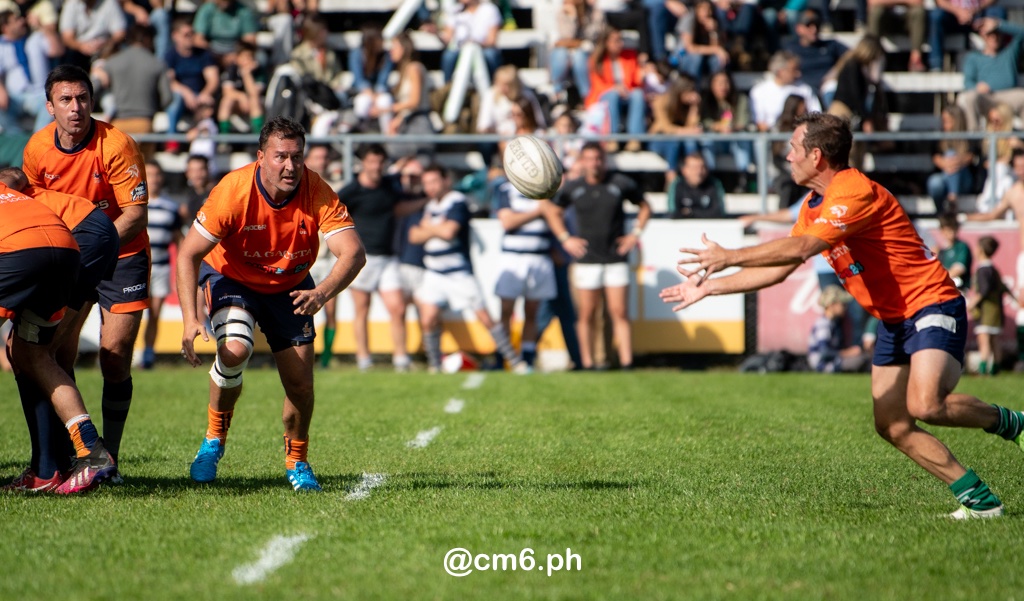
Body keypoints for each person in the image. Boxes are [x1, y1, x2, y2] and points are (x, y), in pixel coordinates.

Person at [661, 112, 1024, 518]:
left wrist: (728, 257)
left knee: (925, 405)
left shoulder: (854, 191)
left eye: (792, 150)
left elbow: (800, 250)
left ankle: (1012, 423)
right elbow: (780, 269)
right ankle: (980, 501)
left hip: (930, 302)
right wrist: (710, 286)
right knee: (892, 425)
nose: (787, 158)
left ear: (816, 156)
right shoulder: (813, 204)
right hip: (894, 319)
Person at [178, 116, 366, 491]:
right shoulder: (232, 191)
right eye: (281, 156)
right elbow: (188, 254)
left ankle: (297, 460)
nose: (290, 166)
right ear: (261, 156)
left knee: (301, 384)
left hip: (292, 286)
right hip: (232, 278)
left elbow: (354, 253)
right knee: (234, 349)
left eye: (297, 157)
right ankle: (214, 439)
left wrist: (322, 292)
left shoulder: (316, 190)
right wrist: (189, 318)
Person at [22, 64, 149, 474]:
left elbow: (136, 214)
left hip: (123, 256)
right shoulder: (37, 149)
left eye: (82, 99)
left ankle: (108, 457)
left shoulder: (117, 145)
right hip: (69, 258)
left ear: (92, 102)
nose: (75, 108)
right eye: (65, 100)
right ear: (49, 107)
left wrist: (94, 245)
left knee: (113, 358)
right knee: (53, 350)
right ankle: (63, 457)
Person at [0, 167, 119, 493]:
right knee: (32, 352)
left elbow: (14, 175)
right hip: (65, 246)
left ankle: (49, 465)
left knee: (35, 353)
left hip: (54, 241)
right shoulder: (17, 197)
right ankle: (87, 453)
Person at [410, 164, 525, 373]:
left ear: (446, 180)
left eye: (434, 181)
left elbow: (449, 232)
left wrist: (428, 228)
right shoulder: (429, 206)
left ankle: (514, 361)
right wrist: (435, 229)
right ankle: (435, 365)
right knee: (427, 319)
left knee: (485, 318)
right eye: (426, 183)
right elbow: (414, 236)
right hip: (434, 272)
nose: (430, 187)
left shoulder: (457, 202)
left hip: (459, 272)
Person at [547, 141, 651, 370]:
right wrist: (566, 238)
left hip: (615, 257)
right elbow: (553, 211)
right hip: (586, 259)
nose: (594, 163)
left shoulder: (619, 183)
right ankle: (587, 362)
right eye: (589, 159)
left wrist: (634, 234)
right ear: (582, 161)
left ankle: (626, 362)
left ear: (604, 160)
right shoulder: (573, 187)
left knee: (619, 312)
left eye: (598, 158)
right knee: (587, 313)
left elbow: (645, 207)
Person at [339, 144, 417, 372]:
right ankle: (364, 359)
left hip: (388, 258)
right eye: (372, 161)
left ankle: (401, 359)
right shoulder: (351, 191)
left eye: (380, 162)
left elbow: (400, 207)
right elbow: (333, 216)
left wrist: (426, 199)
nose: (376, 166)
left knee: (398, 307)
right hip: (363, 260)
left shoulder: (389, 186)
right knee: (362, 309)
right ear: (363, 163)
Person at [492, 169, 558, 372]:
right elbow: (508, 222)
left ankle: (527, 358)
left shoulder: (548, 190)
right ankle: (502, 357)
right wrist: (537, 212)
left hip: (539, 257)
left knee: (532, 312)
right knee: (506, 310)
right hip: (514, 257)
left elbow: (556, 214)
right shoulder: (506, 189)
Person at [141, 161, 182, 369]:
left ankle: (148, 354)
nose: (154, 179)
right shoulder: (135, 205)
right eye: (150, 174)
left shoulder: (170, 208)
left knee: (154, 314)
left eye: (157, 174)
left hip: (161, 267)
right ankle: (126, 353)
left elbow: (179, 241)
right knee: (131, 313)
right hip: (138, 266)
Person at [956, 17, 1024, 132]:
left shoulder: (1009, 53)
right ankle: (973, 139)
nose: (994, 38)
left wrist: (998, 24)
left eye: (997, 34)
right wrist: (976, 87)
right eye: (990, 34)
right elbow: (967, 82)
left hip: (1008, 95)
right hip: (987, 97)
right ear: (983, 36)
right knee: (970, 97)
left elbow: (1022, 33)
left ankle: (1021, 141)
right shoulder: (973, 57)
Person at [586, 26, 646, 153]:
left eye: (620, 40)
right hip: (606, 95)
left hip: (626, 93)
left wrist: (643, 74)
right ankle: (611, 138)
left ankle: (634, 138)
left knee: (638, 94)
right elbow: (597, 85)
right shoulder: (596, 60)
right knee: (612, 95)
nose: (620, 43)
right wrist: (615, 88)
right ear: (606, 43)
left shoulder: (630, 56)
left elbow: (635, 82)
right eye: (616, 40)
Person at [968, 235, 1013, 375]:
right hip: (997, 311)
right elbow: (1004, 287)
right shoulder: (994, 269)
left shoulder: (983, 269)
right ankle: (996, 368)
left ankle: (983, 369)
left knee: (984, 340)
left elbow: (983, 290)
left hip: (986, 312)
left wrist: (972, 304)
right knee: (995, 341)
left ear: (980, 250)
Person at [750, 50, 821, 133]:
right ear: (780, 71)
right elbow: (759, 122)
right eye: (794, 70)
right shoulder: (759, 91)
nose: (798, 74)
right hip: (770, 137)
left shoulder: (805, 89)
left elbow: (816, 115)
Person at [808, 285, 868, 373]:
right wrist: (849, 353)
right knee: (861, 360)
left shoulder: (832, 323)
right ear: (832, 305)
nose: (845, 307)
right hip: (824, 365)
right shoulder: (824, 325)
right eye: (842, 304)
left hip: (833, 361)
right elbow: (824, 353)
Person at [927, 106, 975, 215]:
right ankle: (943, 213)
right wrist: (946, 163)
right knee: (934, 182)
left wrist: (956, 161)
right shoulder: (939, 140)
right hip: (945, 178)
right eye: (943, 121)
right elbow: (936, 158)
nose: (944, 125)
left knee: (951, 154)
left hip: (964, 181)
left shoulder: (969, 139)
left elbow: (970, 157)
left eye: (948, 121)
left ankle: (952, 199)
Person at [667, 152, 725, 219]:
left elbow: (718, 212)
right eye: (694, 168)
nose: (699, 172)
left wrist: (690, 212)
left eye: (702, 167)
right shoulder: (677, 185)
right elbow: (673, 213)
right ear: (684, 170)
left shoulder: (713, 184)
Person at [934, 212, 972, 295]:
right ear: (942, 231)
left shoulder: (961, 247)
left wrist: (937, 279)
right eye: (949, 229)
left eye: (954, 228)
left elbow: (958, 270)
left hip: (959, 291)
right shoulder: (941, 251)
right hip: (944, 292)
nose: (952, 232)